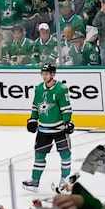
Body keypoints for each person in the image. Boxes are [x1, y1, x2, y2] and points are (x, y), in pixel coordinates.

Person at [22, 63, 74, 192]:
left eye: (46, 74)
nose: (44, 76)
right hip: (43, 130)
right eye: (43, 74)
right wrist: (32, 120)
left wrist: (67, 122)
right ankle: (34, 181)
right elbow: (35, 106)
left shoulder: (61, 89)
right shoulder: (39, 89)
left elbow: (66, 109)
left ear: (53, 75)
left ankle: (65, 180)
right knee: (39, 155)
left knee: (65, 154)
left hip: (59, 130)